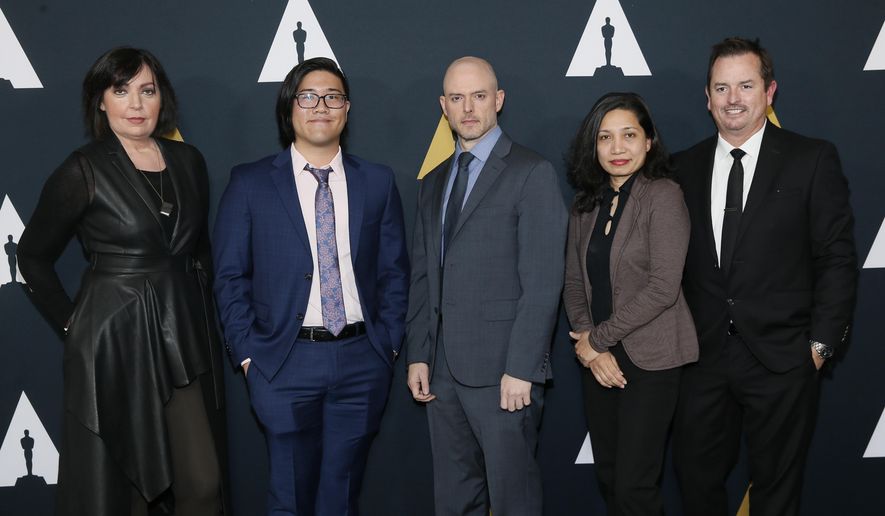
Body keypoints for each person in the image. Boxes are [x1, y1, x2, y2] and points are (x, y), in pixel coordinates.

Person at [17, 47, 227, 515]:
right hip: (113, 342)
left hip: (184, 340)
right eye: (121, 90)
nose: (135, 104)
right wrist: (76, 326)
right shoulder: (82, 169)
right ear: (101, 101)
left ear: (161, 99)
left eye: (146, 91)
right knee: (128, 487)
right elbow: (31, 257)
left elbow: (200, 251)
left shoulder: (189, 161)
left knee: (202, 482)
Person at [212, 57, 409, 516]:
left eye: (333, 96)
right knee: (290, 497)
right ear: (289, 109)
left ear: (347, 109)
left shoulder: (377, 181)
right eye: (308, 96)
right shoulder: (250, 182)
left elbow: (395, 271)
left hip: (363, 361)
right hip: (282, 361)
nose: (321, 105)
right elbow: (228, 276)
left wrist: (390, 347)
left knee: (341, 498)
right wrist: (247, 355)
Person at [672, 37, 858, 516]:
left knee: (777, 495)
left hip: (783, 362)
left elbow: (836, 259)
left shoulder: (811, 159)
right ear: (707, 98)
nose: (733, 98)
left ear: (769, 91)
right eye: (722, 87)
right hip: (701, 362)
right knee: (697, 489)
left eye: (746, 85)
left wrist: (818, 348)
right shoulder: (680, 168)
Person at [406, 56, 567, 516]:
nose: (469, 108)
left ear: (498, 100)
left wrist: (522, 368)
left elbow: (542, 281)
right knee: (455, 500)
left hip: (503, 375)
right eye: (457, 98)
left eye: (479, 96)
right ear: (444, 106)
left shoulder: (531, 172)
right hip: (441, 373)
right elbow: (423, 274)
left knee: (514, 501)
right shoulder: (433, 182)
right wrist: (419, 352)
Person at [562, 92, 698, 515]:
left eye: (628, 135)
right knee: (609, 478)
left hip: (652, 360)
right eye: (605, 137)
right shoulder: (586, 204)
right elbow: (572, 281)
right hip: (598, 359)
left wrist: (596, 340)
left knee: (635, 487)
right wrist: (588, 343)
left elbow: (663, 287)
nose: (617, 148)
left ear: (649, 141)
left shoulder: (663, 195)